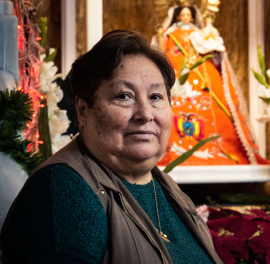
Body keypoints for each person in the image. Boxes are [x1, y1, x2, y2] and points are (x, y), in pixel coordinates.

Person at [0, 30, 223, 264]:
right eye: (124, 96)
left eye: (156, 97)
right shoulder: (65, 190)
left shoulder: (166, 187)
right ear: (83, 110)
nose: (145, 114)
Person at [156, 6, 269, 166]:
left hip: (201, 72)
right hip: (179, 73)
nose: (186, 17)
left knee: (215, 107)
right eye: (183, 15)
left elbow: (211, 52)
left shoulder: (201, 33)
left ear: (193, 17)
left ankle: (218, 147)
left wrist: (211, 39)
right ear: (177, 16)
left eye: (188, 14)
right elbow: (164, 53)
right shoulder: (170, 33)